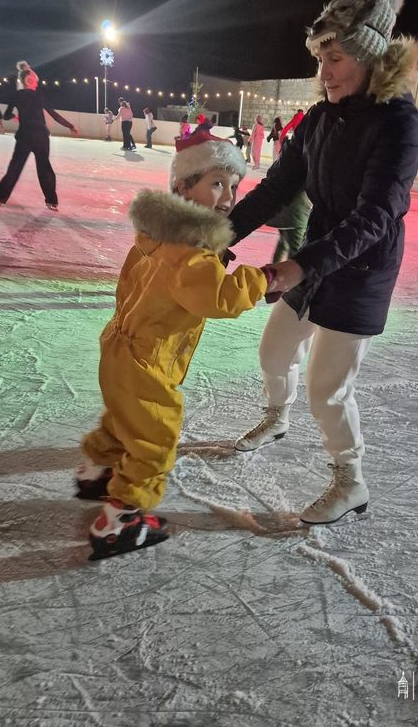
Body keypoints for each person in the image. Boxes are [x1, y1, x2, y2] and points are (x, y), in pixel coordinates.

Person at [228, 0, 418, 526]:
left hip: (362, 271)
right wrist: (218, 236)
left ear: (368, 56)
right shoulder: (317, 119)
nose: (324, 71)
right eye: (320, 58)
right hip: (317, 259)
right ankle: (276, 417)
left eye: (335, 58)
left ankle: (350, 480)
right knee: (273, 353)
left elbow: (377, 215)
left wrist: (299, 266)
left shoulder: (399, 123)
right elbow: (275, 188)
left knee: (327, 390)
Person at [76, 131, 269, 560]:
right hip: (148, 361)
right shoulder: (190, 254)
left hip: (119, 346)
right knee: (155, 439)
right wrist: (262, 279)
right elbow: (219, 298)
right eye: (216, 183)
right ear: (183, 185)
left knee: (124, 419)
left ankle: (96, 471)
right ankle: (119, 522)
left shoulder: (155, 234)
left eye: (233, 185)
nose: (228, 197)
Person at [0, 61, 78, 210]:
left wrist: (15, 115)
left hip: (24, 137)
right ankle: (52, 201)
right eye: (35, 81)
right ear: (29, 80)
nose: (37, 83)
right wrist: (70, 126)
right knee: (44, 169)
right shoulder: (39, 96)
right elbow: (54, 114)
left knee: (14, 169)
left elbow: (6, 115)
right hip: (41, 138)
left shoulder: (17, 95)